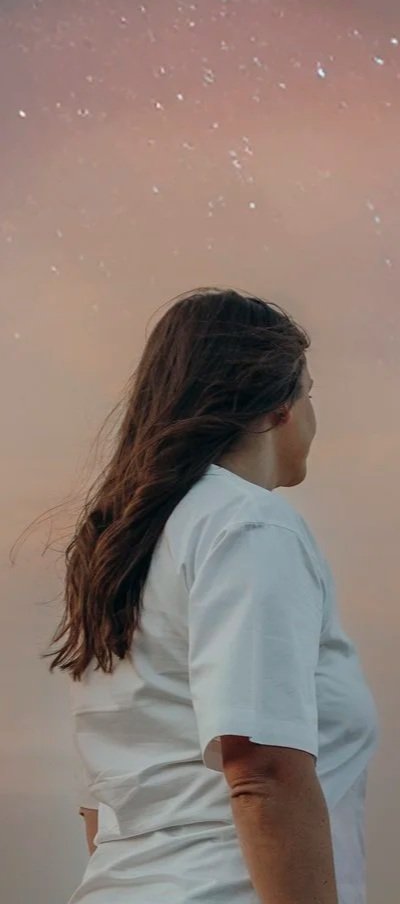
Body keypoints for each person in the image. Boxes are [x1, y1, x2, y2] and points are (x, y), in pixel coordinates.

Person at [45, 287, 378, 904]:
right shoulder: (249, 526)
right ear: (278, 405)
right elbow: (261, 770)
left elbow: (100, 808)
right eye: (309, 392)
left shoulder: (122, 547)